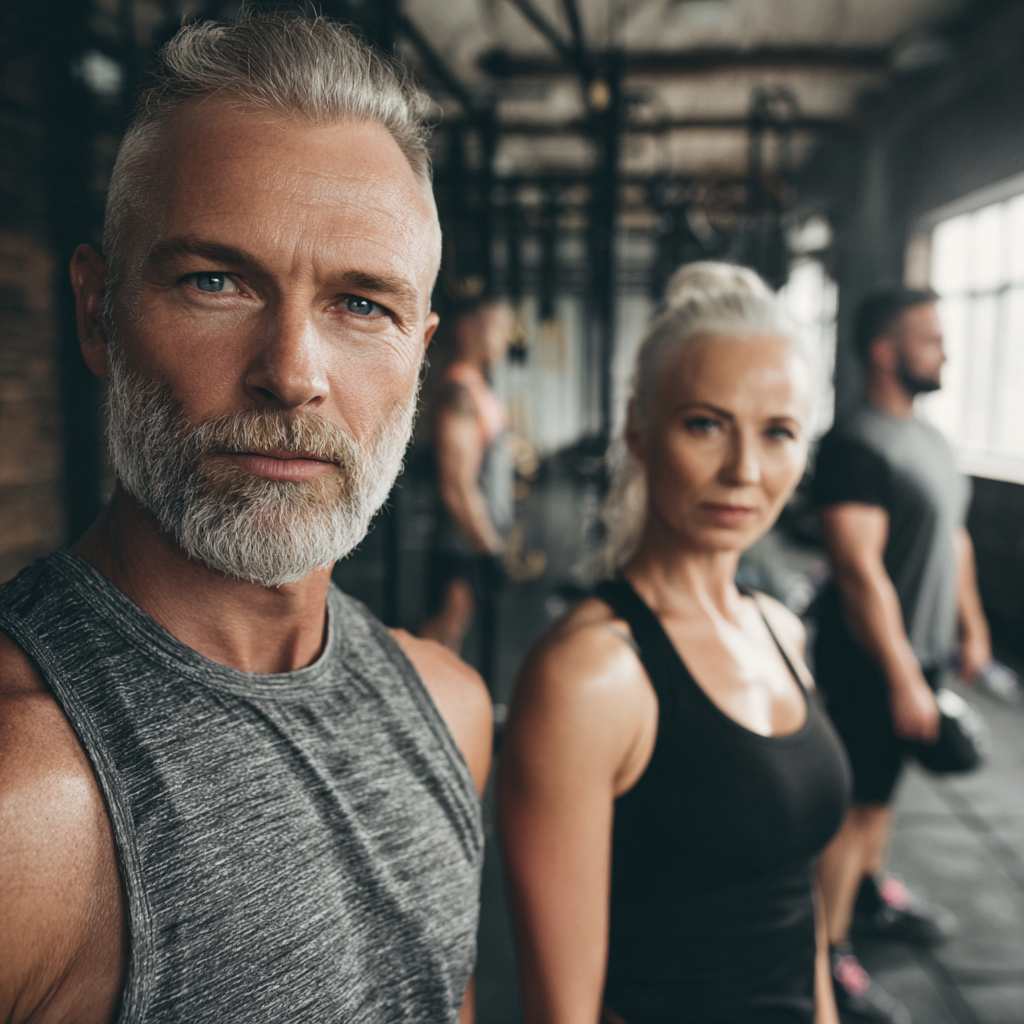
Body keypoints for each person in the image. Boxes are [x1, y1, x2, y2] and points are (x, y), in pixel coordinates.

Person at [0, 14, 492, 1024]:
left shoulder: (449, 709)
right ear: (97, 313)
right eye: (215, 282)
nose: (293, 373)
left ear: (420, 353)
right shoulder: (27, 798)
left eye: (362, 305)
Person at [499, 262, 851, 1024]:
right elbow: (562, 1013)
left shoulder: (780, 629)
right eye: (705, 424)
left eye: (779, 433)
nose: (744, 471)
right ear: (638, 427)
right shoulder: (591, 675)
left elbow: (797, 904)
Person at [812, 288, 991, 1023]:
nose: (945, 351)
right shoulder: (856, 444)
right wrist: (900, 675)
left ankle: (868, 893)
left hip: (921, 653)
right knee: (854, 804)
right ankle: (827, 954)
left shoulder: (932, 441)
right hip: (869, 658)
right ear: (886, 352)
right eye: (931, 339)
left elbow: (954, 536)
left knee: (882, 795)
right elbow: (859, 571)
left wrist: (971, 624)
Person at [421, 299, 514, 654]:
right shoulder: (458, 392)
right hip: (461, 544)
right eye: (498, 328)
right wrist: (488, 548)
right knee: (441, 636)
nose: (505, 340)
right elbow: (456, 485)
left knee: (454, 635)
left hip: (473, 541)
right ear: (467, 330)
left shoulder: (476, 387)